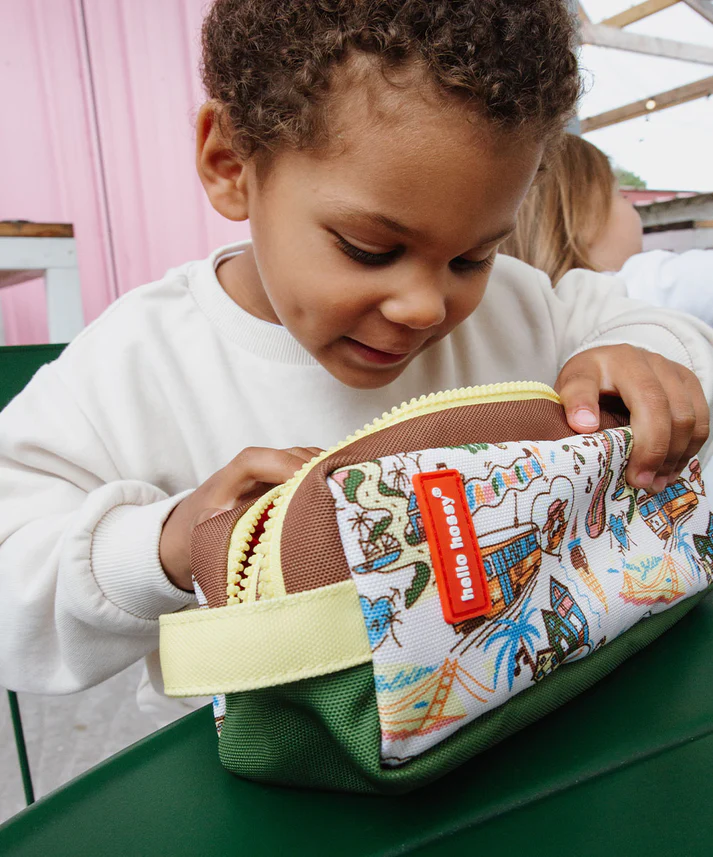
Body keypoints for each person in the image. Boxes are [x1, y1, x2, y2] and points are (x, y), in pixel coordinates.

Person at [0, 0, 711, 724]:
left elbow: (644, 322)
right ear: (231, 162)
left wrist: (642, 359)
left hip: (526, 720)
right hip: (265, 769)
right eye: (370, 249)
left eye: (472, 257)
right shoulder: (134, 365)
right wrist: (165, 546)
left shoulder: (521, 306)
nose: (423, 307)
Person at [501, 133, 713, 325]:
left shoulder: (519, 323)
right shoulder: (636, 288)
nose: (629, 205)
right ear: (584, 219)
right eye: (620, 195)